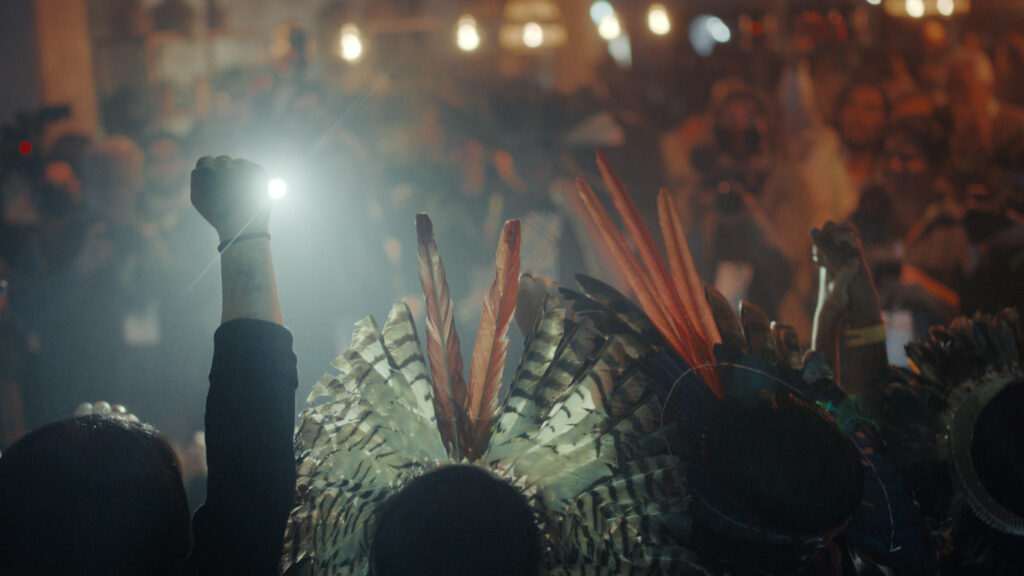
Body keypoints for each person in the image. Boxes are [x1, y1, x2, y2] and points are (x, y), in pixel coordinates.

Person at [0, 155, 297, 575]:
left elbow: (191, 317)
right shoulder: (55, 243)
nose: (115, 194)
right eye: (105, 181)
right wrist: (244, 236)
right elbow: (251, 490)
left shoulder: (154, 238)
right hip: (73, 406)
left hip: (161, 405)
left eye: (123, 181)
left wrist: (162, 262)